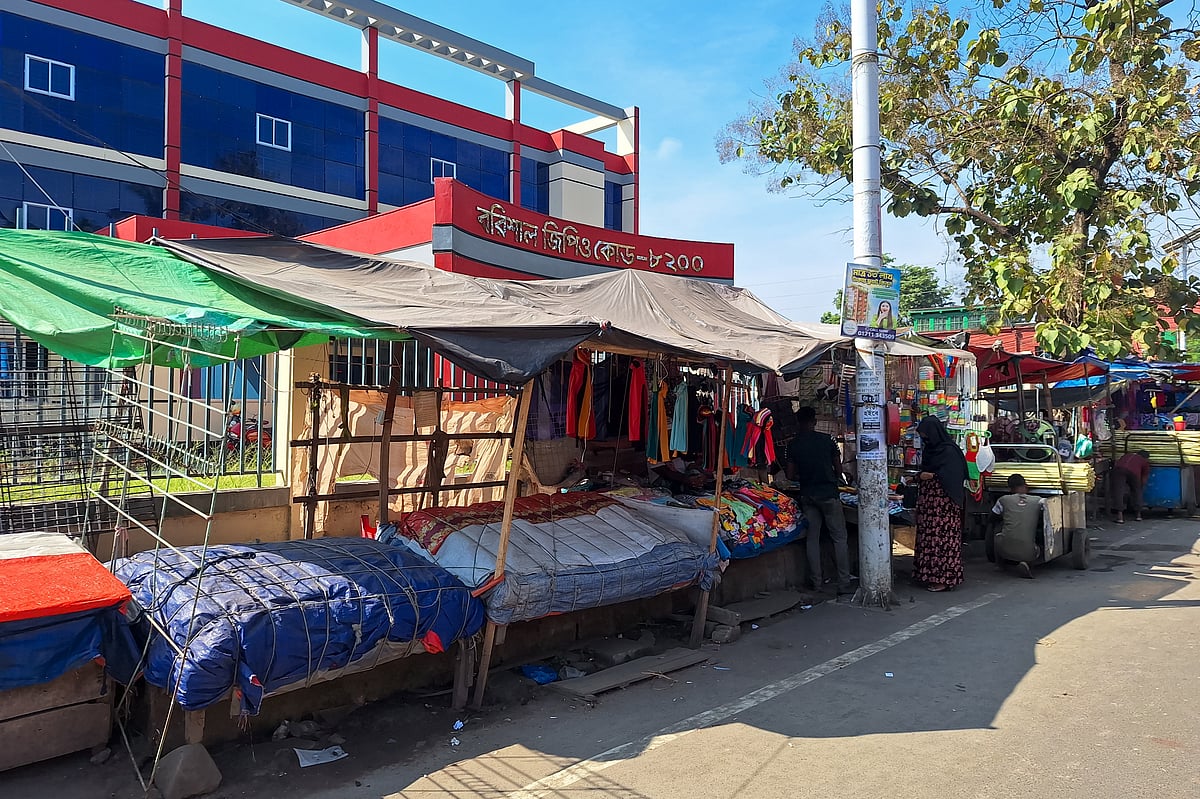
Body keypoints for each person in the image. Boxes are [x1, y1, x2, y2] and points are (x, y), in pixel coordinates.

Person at [785, 406, 855, 595]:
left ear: (798, 423)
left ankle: (816, 582)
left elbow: (790, 475)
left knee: (812, 539)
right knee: (839, 538)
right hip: (828, 494)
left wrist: (805, 476)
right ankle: (844, 582)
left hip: (808, 495)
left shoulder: (793, 445)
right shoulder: (827, 440)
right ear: (814, 421)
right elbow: (839, 470)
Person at [914, 416, 967, 592]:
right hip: (929, 505)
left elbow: (951, 476)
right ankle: (928, 575)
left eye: (926, 436)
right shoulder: (932, 450)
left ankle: (943, 578)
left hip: (944, 506)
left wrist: (931, 476)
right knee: (928, 540)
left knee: (942, 541)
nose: (924, 440)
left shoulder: (949, 451)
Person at [991, 473, 1042, 579]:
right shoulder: (1039, 501)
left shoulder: (1003, 500)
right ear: (1026, 486)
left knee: (997, 533)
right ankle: (1028, 563)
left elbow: (992, 518)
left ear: (1010, 489)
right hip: (1030, 551)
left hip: (1005, 549)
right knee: (1039, 540)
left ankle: (1000, 565)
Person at [1109, 449, 1151, 524]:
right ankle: (1138, 515)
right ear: (1146, 457)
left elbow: (1117, 463)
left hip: (1119, 470)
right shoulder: (1144, 461)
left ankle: (1120, 516)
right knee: (1137, 491)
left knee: (1119, 491)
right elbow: (1144, 476)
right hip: (1134, 473)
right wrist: (1141, 485)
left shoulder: (1127, 455)